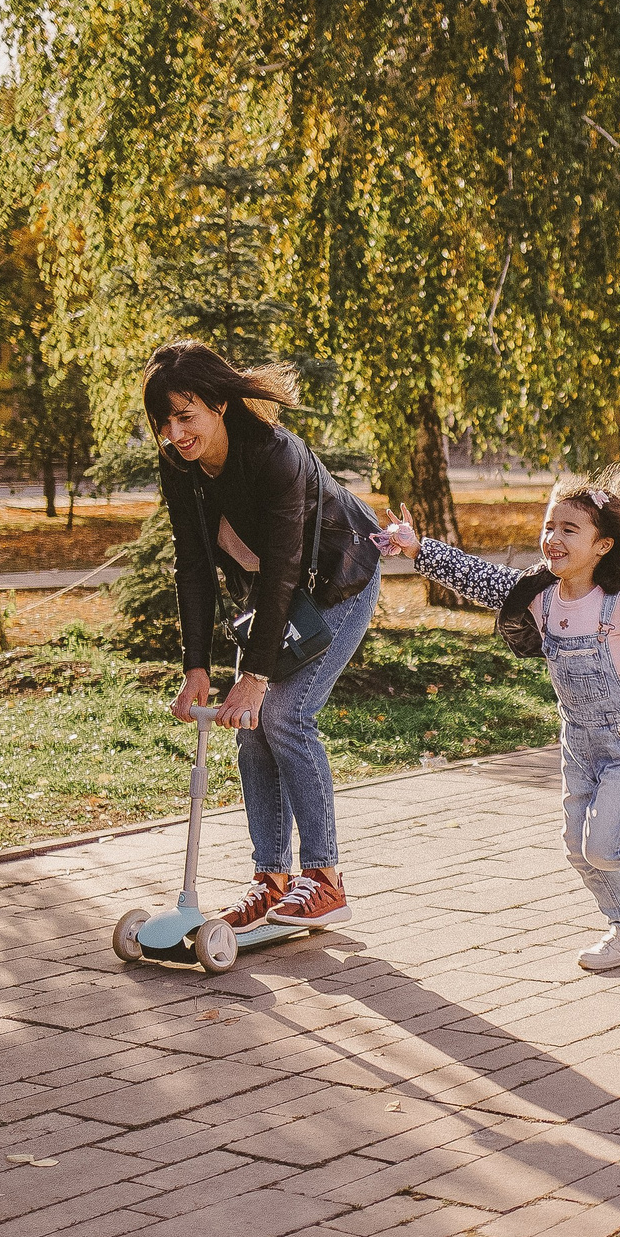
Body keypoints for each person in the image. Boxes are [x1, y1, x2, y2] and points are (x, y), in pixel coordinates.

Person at [376, 464, 620, 971]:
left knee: (606, 846)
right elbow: (480, 577)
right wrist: (417, 549)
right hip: (578, 742)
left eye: (569, 529)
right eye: (548, 526)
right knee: (578, 850)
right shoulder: (538, 595)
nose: (553, 538)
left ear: (602, 545)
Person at [149, 340, 385, 932]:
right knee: (247, 725)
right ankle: (271, 878)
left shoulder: (276, 455)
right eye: (165, 421)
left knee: (282, 715)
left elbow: (284, 566)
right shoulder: (180, 464)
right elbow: (194, 564)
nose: (176, 433)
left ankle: (324, 878)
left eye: (186, 416)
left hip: (338, 578)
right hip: (274, 589)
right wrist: (197, 666)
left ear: (220, 405)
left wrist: (253, 679)